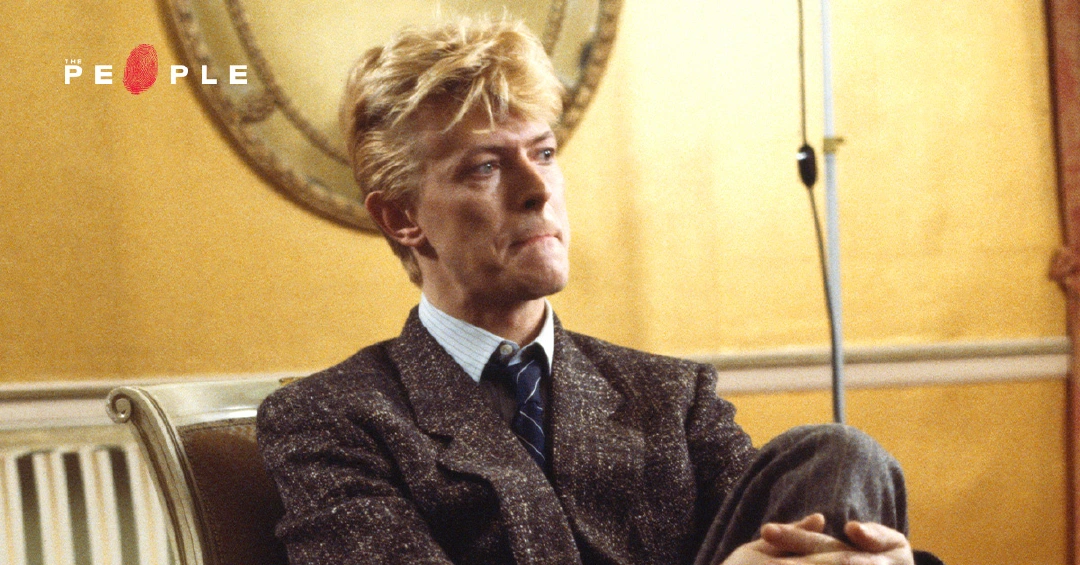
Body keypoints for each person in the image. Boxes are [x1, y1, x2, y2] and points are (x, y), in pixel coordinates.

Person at [256, 18, 942, 565]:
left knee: (839, 455)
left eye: (544, 153)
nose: (538, 189)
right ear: (402, 217)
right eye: (486, 166)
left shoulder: (672, 396)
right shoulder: (328, 417)